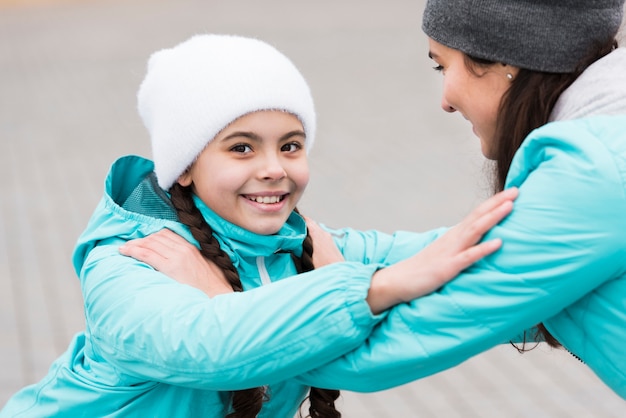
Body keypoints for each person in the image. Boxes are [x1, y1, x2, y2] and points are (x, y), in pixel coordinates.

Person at [128, 0, 626, 403]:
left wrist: (231, 305)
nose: (445, 100)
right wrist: (355, 273)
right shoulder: (603, 143)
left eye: (443, 65)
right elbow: (462, 253)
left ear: (507, 62)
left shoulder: (594, 174)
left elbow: (377, 355)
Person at [0, 34, 516, 418]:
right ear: (183, 166)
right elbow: (206, 346)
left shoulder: (304, 247)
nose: (274, 167)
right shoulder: (130, 262)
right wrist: (369, 288)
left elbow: (447, 256)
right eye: (242, 147)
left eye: (290, 145)